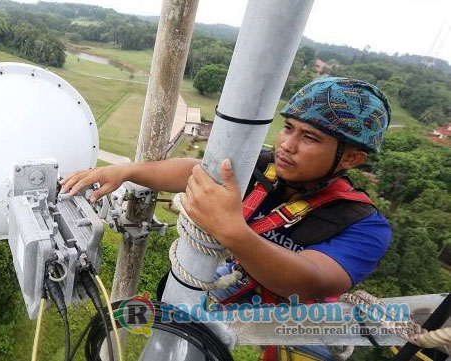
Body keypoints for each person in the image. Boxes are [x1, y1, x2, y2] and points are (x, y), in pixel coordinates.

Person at [60, 77, 392, 360]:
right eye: (288, 128)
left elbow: (309, 281)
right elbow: (198, 171)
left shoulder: (363, 224)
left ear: (351, 157)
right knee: (174, 302)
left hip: (299, 313)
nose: (287, 145)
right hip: (238, 279)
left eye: (310, 138)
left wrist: (231, 231)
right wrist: (127, 171)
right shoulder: (264, 168)